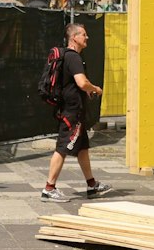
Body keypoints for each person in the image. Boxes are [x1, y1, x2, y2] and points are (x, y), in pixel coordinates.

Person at [41, 23, 109, 202]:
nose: (87, 37)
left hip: (73, 111)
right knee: (62, 148)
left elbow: (74, 84)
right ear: (74, 38)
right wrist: (95, 88)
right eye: (83, 34)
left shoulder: (69, 57)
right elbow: (82, 82)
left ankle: (92, 185)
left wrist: (86, 90)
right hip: (72, 113)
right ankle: (49, 189)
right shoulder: (73, 58)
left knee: (82, 148)